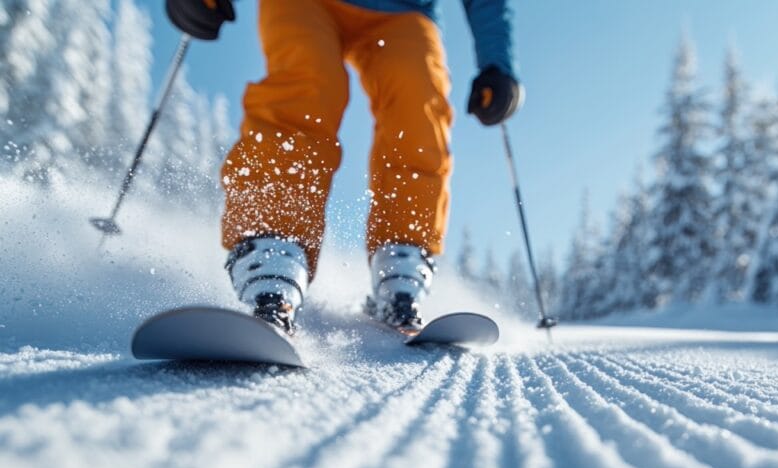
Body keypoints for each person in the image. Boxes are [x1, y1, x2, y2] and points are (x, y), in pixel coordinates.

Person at [165, 0, 522, 334]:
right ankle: (272, 255)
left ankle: (401, 266)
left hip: (403, 8)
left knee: (417, 107)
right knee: (305, 87)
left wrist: (497, 62)